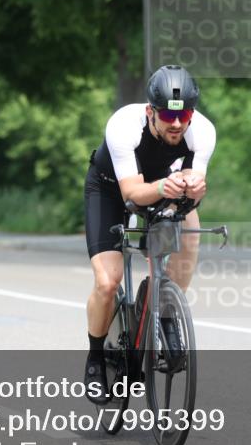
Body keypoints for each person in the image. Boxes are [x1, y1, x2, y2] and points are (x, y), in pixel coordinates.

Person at [83, 65, 215, 403]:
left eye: (183, 114)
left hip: (160, 188)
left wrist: (195, 188)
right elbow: (131, 194)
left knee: (191, 225)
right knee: (108, 282)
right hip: (111, 190)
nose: (175, 124)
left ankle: (166, 308)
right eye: (167, 115)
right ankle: (96, 356)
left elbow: (193, 192)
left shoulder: (202, 132)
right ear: (149, 111)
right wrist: (165, 186)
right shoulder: (124, 126)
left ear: (192, 113)